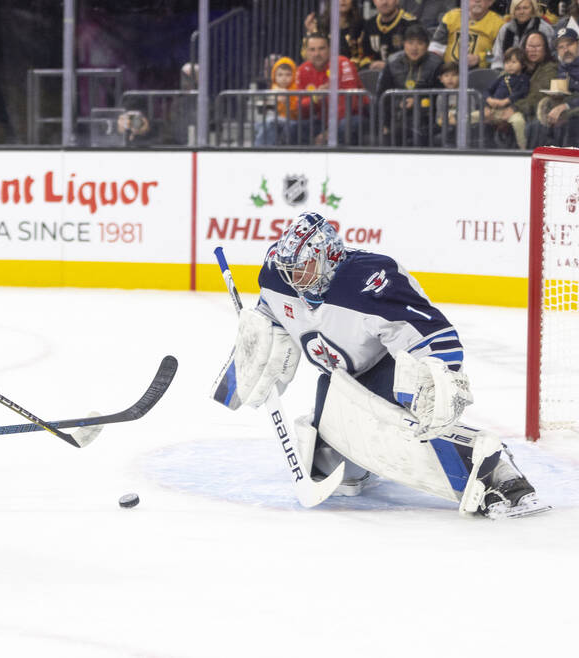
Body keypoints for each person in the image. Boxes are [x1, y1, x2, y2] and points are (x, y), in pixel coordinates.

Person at [214, 212, 548, 519]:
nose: (295, 278)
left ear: (329, 257)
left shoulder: (369, 280)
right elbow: (271, 315)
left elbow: (430, 331)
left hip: (385, 369)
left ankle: (498, 471)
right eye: (290, 270)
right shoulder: (277, 277)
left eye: (304, 268)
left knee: (418, 415)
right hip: (339, 381)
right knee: (330, 463)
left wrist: (435, 373)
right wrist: (259, 344)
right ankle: (366, 460)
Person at [293, 33, 368, 145]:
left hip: (355, 116)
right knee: (294, 128)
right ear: (306, 52)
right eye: (312, 50)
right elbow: (299, 109)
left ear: (330, 50)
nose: (317, 54)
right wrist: (314, 99)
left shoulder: (343, 63)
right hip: (324, 120)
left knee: (344, 126)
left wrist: (329, 132)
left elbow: (349, 103)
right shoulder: (302, 70)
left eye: (321, 49)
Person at [377, 23, 443, 146]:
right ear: (404, 44)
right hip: (397, 120)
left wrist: (418, 101)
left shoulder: (436, 64)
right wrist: (384, 124)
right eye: (410, 43)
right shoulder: (392, 62)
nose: (414, 48)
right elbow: (382, 96)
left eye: (420, 43)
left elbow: (440, 96)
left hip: (427, 122)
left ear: (427, 46)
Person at [429, 0, 504, 69]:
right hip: (448, 73)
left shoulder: (498, 24)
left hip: (479, 75)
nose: (477, 1)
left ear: (490, 2)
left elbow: (497, 56)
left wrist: (479, 58)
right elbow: (436, 48)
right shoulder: (451, 17)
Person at [483, 46, 530, 148]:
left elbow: (522, 92)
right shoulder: (502, 78)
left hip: (511, 110)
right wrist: (489, 100)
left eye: (513, 62)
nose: (510, 66)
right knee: (470, 117)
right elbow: (487, 90)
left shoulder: (524, 79)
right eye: (507, 62)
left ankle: (523, 147)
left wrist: (506, 101)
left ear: (522, 64)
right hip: (493, 110)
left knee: (518, 121)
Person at [491, 0, 555, 71]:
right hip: (508, 72)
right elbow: (497, 55)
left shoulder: (544, 28)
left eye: (525, 8)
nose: (521, 12)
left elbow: (549, 55)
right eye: (518, 8)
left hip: (537, 73)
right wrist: (499, 72)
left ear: (533, 9)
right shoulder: (505, 29)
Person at [358, 0, 419, 71]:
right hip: (375, 76)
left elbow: (417, 57)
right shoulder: (369, 25)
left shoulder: (411, 24)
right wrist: (371, 65)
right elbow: (364, 57)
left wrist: (388, 66)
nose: (384, 2)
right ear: (374, 1)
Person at [255, 56, 298, 146]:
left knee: (270, 122)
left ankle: (259, 150)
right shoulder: (273, 89)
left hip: (293, 122)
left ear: (294, 74)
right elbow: (266, 110)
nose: (284, 78)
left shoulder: (298, 89)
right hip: (275, 121)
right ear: (274, 75)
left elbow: (297, 113)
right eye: (280, 75)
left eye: (288, 74)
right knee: (261, 124)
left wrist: (287, 102)